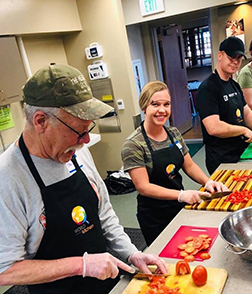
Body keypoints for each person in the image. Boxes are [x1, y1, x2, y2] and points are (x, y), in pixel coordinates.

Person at [0, 64, 168, 294]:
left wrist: (131, 253)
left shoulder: (76, 150)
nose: (87, 140)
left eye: (89, 129)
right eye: (79, 131)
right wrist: (82, 265)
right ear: (40, 121)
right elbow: (5, 269)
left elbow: (104, 214)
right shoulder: (8, 178)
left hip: (107, 283)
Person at [121, 81, 227, 246]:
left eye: (166, 104)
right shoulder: (134, 144)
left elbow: (189, 165)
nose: (162, 110)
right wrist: (180, 195)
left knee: (187, 247)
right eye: (155, 104)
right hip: (154, 215)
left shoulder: (173, 133)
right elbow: (143, 186)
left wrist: (208, 182)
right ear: (144, 108)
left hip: (179, 207)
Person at [196, 37, 252, 175]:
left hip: (241, 153)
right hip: (222, 160)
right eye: (231, 57)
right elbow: (213, 127)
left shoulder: (234, 84)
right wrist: (243, 130)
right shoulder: (208, 88)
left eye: (239, 58)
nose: (235, 62)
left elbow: (246, 111)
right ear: (220, 55)